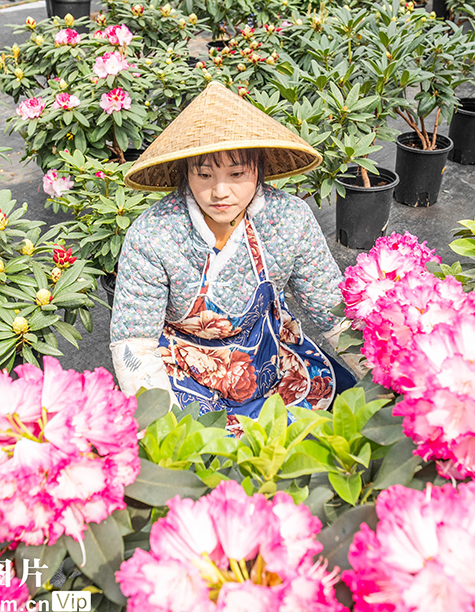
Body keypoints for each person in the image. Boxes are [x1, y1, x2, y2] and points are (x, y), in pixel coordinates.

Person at [109, 82, 356, 421]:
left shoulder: (289, 218)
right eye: (205, 175)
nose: (220, 192)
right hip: (187, 370)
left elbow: (333, 311)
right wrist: (160, 428)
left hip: (272, 362)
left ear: (260, 169)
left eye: (237, 173)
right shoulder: (153, 234)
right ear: (185, 173)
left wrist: (386, 376)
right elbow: (134, 344)